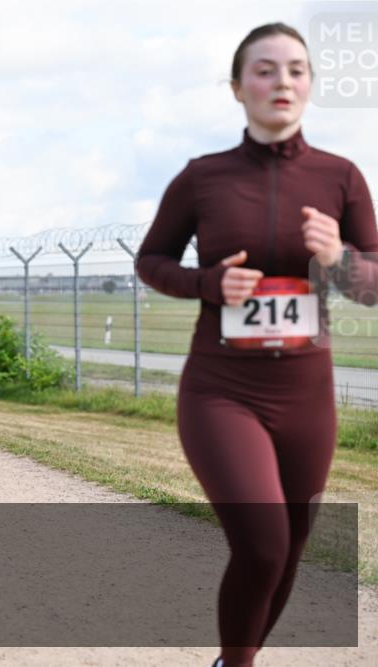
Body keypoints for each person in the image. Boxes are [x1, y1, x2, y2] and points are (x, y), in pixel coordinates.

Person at [136, 23, 378, 667]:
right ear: (239, 87)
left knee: (292, 544)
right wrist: (209, 282)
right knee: (264, 544)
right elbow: (152, 261)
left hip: (306, 393)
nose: (283, 82)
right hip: (223, 389)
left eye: (297, 70)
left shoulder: (341, 177)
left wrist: (341, 259)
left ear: (310, 85)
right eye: (266, 70)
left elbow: (374, 284)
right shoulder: (203, 178)